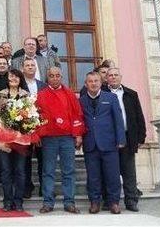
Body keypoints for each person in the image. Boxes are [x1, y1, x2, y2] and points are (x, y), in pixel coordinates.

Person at [36, 67, 85, 214]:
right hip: (48, 138)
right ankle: (47, 203)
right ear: (47, 78)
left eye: (57, 75)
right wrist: (37, 135)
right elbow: (35, 117)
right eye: (52, 76)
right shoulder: (41, 95)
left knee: (68, 171)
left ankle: (69, 202)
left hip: (67, 138)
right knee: (48, 171)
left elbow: (77, 115)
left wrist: (78, 134)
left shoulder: (69, 94)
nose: (55, 78)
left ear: (61, 77)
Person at [80, 71, 125, 214]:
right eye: (90, 81)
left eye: (96, 81)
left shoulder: (110, 98)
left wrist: (121, 139)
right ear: (86, 84)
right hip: (90, 144)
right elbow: (79, 121)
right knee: (93, 176)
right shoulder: (81, 101)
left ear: (101, 83)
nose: (93, 83)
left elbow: (118, 120)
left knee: (112, 175)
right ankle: (94, 202)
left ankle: (114, 202)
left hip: (109, 143)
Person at [107, 67, 146, 212]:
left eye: (116, 75)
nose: (113, 77)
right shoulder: (102, 93)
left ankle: (131, 200)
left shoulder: (131, 94)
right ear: (107, 78)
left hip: (128, 137)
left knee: (129, 171)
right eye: (110, 75)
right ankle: (111, 200)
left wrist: (141, 136)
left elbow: (139, 116)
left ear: (120, 77)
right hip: (109, 138)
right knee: (111, 171)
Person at [0, 69, 30, 212]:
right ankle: (7, 201)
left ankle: (18, 201)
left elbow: (30, 114)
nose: (13, 79)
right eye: (10, 77)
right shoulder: (0, 94)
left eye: (16, 77)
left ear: (20, 79)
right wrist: (1, 124)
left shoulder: (26, 95)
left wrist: (22, 123)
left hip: (21, 138)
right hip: (3, 136)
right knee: (6, 170)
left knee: (20, 170)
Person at [21, 58, 47, 198]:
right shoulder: (19, 85)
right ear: (23, 69)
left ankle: (44, 187)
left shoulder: (43, 85)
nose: (30, 67)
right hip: (24, 127)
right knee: (25, 159)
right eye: (27, 65)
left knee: (43, 159)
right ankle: (27, 187)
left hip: (41, 127)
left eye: (32, 65)